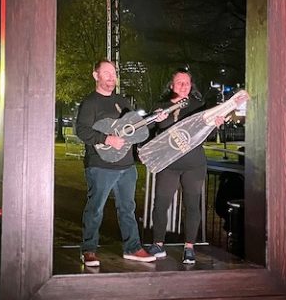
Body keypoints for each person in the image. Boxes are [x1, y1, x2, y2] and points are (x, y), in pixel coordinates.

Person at [75, 59, 156, 267]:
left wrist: (155, 118)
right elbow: (82, 130)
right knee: (96, 208)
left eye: (114, 74)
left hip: (126, 166)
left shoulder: (122, 101)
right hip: (100, 166)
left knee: (128, 208)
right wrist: (107, 139)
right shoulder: (90, 102)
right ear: (96, 76)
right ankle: (89, 250)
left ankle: (133, 247)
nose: (112, 78)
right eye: (107, 73)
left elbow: (135, 127)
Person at [145, 70, 206, 265]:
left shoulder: (199, 107)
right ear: (171, 85)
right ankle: (158, 244)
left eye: (187, 82)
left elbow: (207, 134)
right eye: (179, 82)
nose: (183, 86)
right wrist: (156, 121)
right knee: (161, 204)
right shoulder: (160, 107)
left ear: (191, 85)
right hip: (168, 164)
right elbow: (148, 133)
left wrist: (217, 124)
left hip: (193, 165)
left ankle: (189, 247)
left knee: (192, 205)